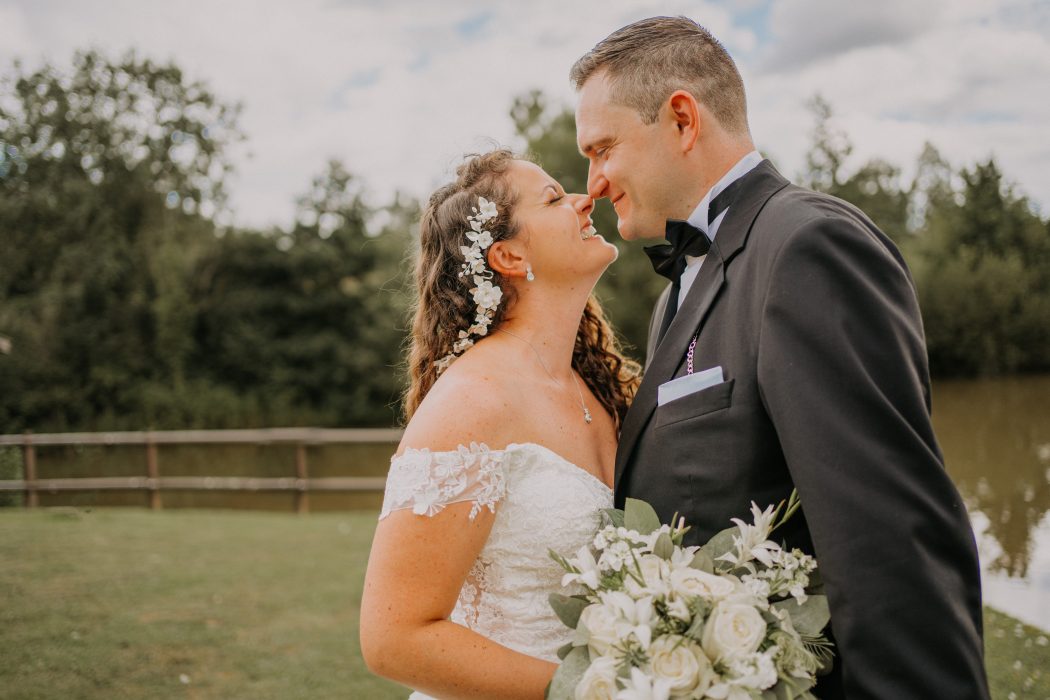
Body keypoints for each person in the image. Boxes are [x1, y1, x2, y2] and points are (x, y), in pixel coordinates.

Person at [571, 16, 990, 699]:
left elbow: (889, 546)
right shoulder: (675, 295)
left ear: (681, 118)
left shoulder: (807, 249)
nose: (592, 182)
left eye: (603, 148)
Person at [359, 149, 640, 698]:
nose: (586, 201)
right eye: (555, 199)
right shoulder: (472, 402)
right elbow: (392, 638)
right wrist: (594, 690)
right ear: (509, 255)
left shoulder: (600, 388)